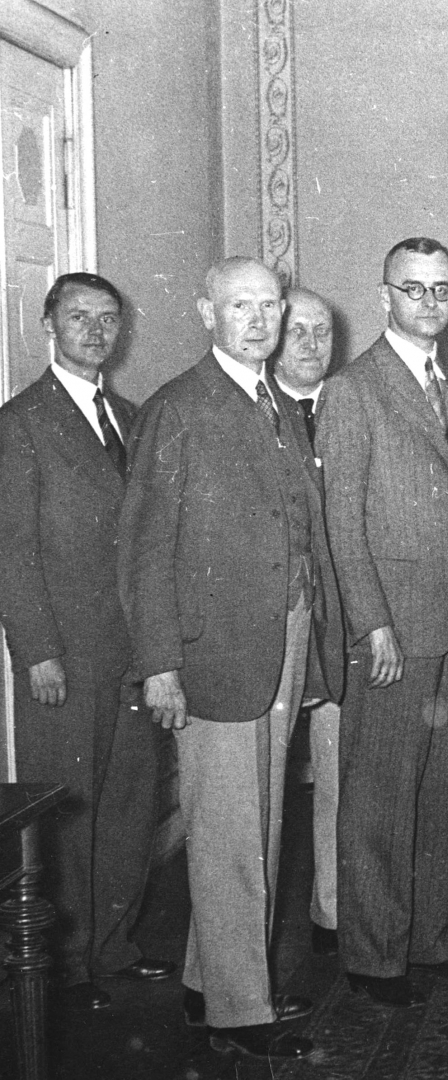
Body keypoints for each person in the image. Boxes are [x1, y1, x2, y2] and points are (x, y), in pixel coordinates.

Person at [118, 257, 342, 1061]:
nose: (258, 320)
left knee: (257, 824)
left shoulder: (274, 403)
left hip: (280, 639)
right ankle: (241, 1013)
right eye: (239, 305)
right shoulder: (178, 407)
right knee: (231, 833)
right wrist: (160, 664)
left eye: (270, 305)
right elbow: (144, 549)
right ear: (206, 313)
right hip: (212, 654)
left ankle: (205, 983)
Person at [318, 237, 448, 1008]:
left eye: (442, 290)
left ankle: (430, 939)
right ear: (384, 296)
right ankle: (374, 956)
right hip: (392, 627)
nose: (429, 302)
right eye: (414, 288)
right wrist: (373, 625)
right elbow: (342, 522)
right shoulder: (353, 390)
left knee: (443, 794)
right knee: (380, 795)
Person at [0, 272, 173, 1012]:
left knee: (130, 804)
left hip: (133, 653)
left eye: (108, 318)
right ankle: (64, 968)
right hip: (64, 656)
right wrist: (37, 649)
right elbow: (11, 551)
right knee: (70, 810)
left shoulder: (131, 417)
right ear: (49, 325)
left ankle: (114, 948)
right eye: (79, 317)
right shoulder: (20, 422)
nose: (96, 331)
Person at [270, 286, 341, 958]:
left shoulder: (350, 407)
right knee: (263, 791)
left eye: (322, 331)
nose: (312, 344)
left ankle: (334, 913)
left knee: (341, 776)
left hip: (343, 628)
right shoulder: (256, 409)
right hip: (275, 632)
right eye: (297, 331)